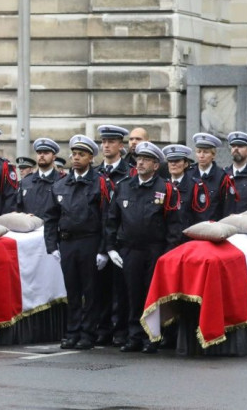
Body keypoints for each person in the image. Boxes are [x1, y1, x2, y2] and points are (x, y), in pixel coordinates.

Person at [106, 141, 182, 354]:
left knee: (152, 295)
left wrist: (167, 254)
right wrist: (111, 247)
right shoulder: (123, 186)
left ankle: (152, 337)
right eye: (139, 158)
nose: (140, 163)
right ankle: (134, 336)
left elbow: (174, 225)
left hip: (154, 250)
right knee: (132, 294)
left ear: (156, 165)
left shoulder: (166, 189)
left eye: (146, 159)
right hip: (129, 249)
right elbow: (112, 219)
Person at [45, 135, 113, 350]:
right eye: (74, 154)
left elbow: (107, 218)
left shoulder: (100, 183)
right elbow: (51, 217)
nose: (76, 158)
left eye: (81, 155)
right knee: (72, 290)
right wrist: (51, 245)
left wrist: (103, 250)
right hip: (67, 242)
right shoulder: (61, 183)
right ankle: (72, 332)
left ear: (91, 158)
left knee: (90, 291)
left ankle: (88, 333)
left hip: (89, 241)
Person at [94, 124, 132, 348]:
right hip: (96, 237)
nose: (106, 146)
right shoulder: (95, 173)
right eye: (104, 142)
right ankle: (103, 328)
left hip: (119, 239)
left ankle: (120, 330)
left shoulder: (129, 172)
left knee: (120, 289)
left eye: (111, 142)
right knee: (99, 288)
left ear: (120, 145)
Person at [17, 138, 61, 221]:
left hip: (52, 231)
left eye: (46, 153)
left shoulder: (62, 182)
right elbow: (18, 207)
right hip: (29, 230)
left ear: (54, 157)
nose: (42, 155)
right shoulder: (25, 182)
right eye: (39, 153)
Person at [188, 133, 227, 222]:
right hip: (192, 228)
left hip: (213, 227)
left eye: (205, 152)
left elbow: (224, 206)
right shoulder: (189, 174)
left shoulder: (221, 176)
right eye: (199, 152)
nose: (201, 156)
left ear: (213, 155)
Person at [163, 145, 195, 230]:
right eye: (170, 161)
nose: (173, 164)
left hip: (187, 236)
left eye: (177, 161)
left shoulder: (194, 186)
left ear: (185, 164)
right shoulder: (162, 185)